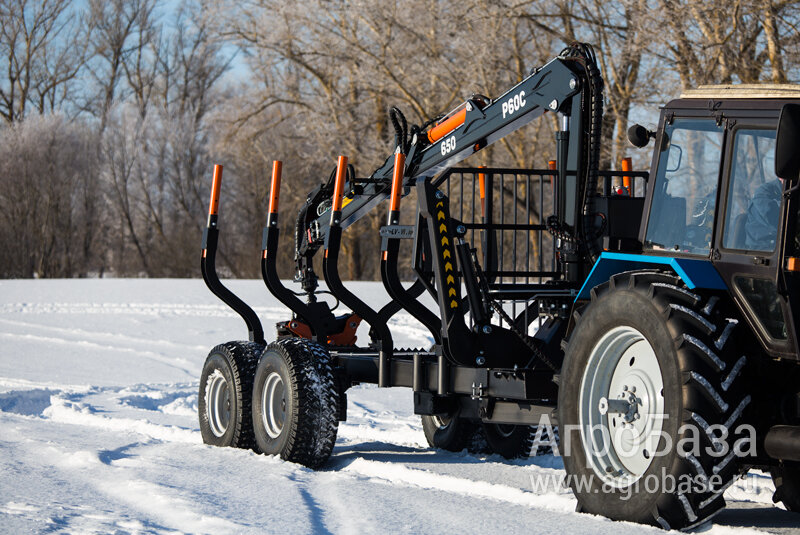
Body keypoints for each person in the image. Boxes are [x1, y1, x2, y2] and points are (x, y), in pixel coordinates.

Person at [745, 178, 783, 251]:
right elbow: (772, 218)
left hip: (780, 244)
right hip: (763, 248)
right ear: (780, 176)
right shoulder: (764, 191)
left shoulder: (792, 193)